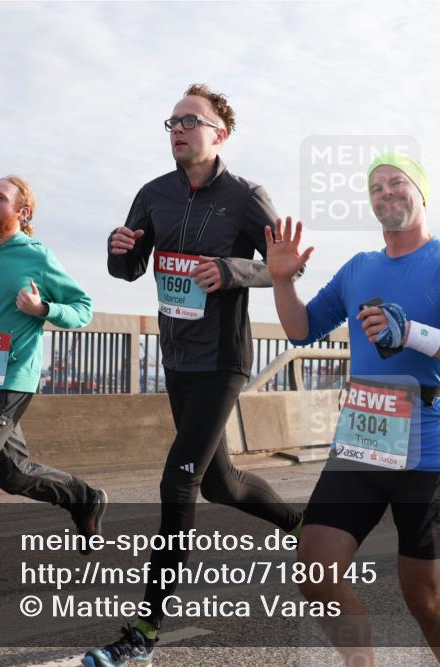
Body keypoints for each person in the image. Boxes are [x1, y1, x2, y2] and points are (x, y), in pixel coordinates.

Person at [83, 84, 302, 667]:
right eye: (171, 122)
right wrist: (118, 246)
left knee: (177, 484)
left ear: (218, 133)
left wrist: (229, 271)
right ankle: (301, 525)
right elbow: (128, 268)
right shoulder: (154, 195)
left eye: (190, 120)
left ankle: (145, 634)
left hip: (223, 361)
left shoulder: (246, 197)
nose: (178, 129)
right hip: (176, 358)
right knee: (218, 483)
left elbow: (280, 266)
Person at [264, 154, 440, 667]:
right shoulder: (359, 269)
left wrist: (414, 334)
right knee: (316, 571)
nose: (386, 193)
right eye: (375, 188)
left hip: (424, 449)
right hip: (363, 438)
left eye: (397, 183)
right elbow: (300, 329)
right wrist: (283, 282)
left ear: (422, 194)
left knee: (422, 596)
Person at [0, 175, 107, 546]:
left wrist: (43, 308)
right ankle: (84, 498)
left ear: (22, 211)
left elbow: (83, 309)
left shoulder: (38, 257)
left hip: (14, 379)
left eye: (0, 197)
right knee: (14, 475)